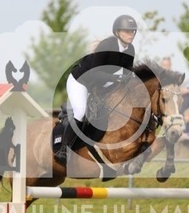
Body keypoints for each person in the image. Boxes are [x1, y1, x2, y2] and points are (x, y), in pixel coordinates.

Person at [55, 15, 138, 164]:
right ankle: (64, 149)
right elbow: (94, 73)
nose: (130, 34)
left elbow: (127, 73)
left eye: (132, 31)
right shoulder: (107, 45)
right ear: (117, 32)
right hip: (81, 80)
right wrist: (116, 78)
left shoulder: (130, 49)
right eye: (127, 31)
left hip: (101, 82)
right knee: (81, 112)